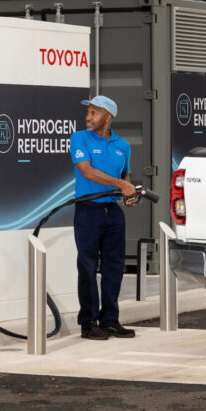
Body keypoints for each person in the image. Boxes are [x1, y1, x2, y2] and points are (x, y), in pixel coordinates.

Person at [69, 95, 138, 340]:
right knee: (87, 267)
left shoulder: (123, 145)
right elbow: (86, 171)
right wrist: (121, 184)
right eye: (88, 112)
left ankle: (109, 319)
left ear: (108, 116)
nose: (89, 116)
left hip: (113, 213)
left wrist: (128, 194)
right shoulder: (79, 138)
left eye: (94, 112)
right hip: (88, 210)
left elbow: (125, 176)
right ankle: (88, 323)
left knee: (114, 267)